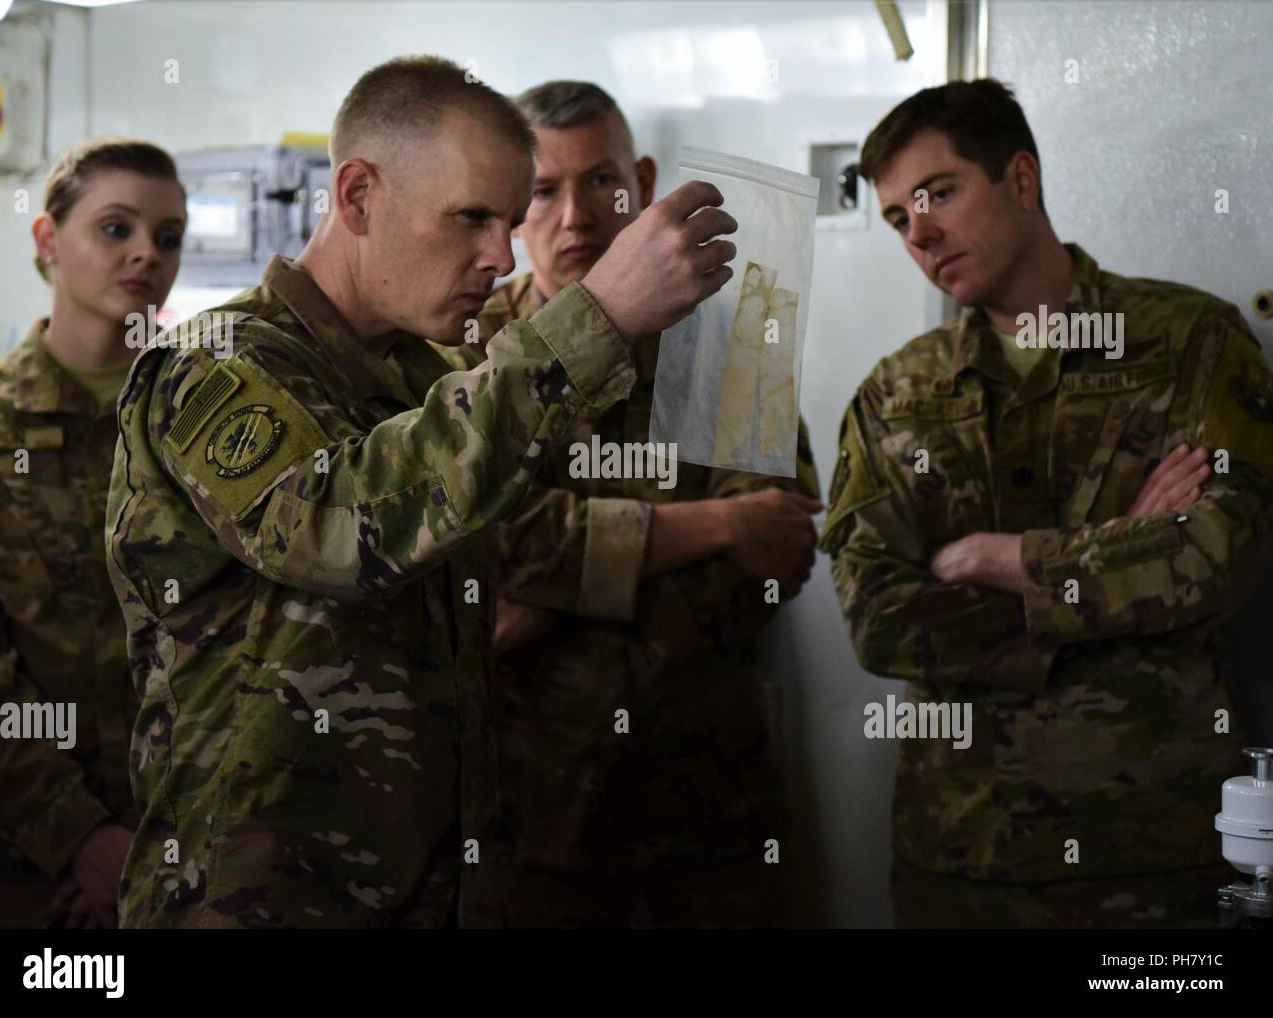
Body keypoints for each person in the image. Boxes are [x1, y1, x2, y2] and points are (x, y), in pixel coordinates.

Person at [104, 55, 738, 928]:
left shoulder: (425, 380)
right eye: (472, 216)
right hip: (260, 901)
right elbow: (337, 525)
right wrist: (595, 319)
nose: (500, 254)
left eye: (509, 221)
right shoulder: (217, 362)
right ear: (358, 196)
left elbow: (515, 549)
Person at [821, 78, 1273, 928]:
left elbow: (1221, 559)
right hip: (961, 858)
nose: (918, 234)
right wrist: (1122, 546)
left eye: (938, 194)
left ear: (1021, 180)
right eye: (896, 219)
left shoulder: (1190, 343)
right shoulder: (896, 394)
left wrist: (1001, 560)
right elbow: (879, 619)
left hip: (1152, 858)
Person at [433, 81, 820, 927]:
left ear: (640, 182)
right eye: (542, 189)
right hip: (520, 807)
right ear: (511, 206)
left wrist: (554, 597)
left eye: (600, 182)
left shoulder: (726, 349)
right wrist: (709, 527)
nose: (576, 217)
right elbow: (461, 543)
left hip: (705, 807)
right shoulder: (463, 352)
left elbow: (776, 559)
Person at [0, 139, 186, 928]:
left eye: (167, 237)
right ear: (47, 241)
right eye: (115, 228)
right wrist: (81, 838)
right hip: (26, 866)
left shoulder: (198, 421)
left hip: (193, 849)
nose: (145, 254)